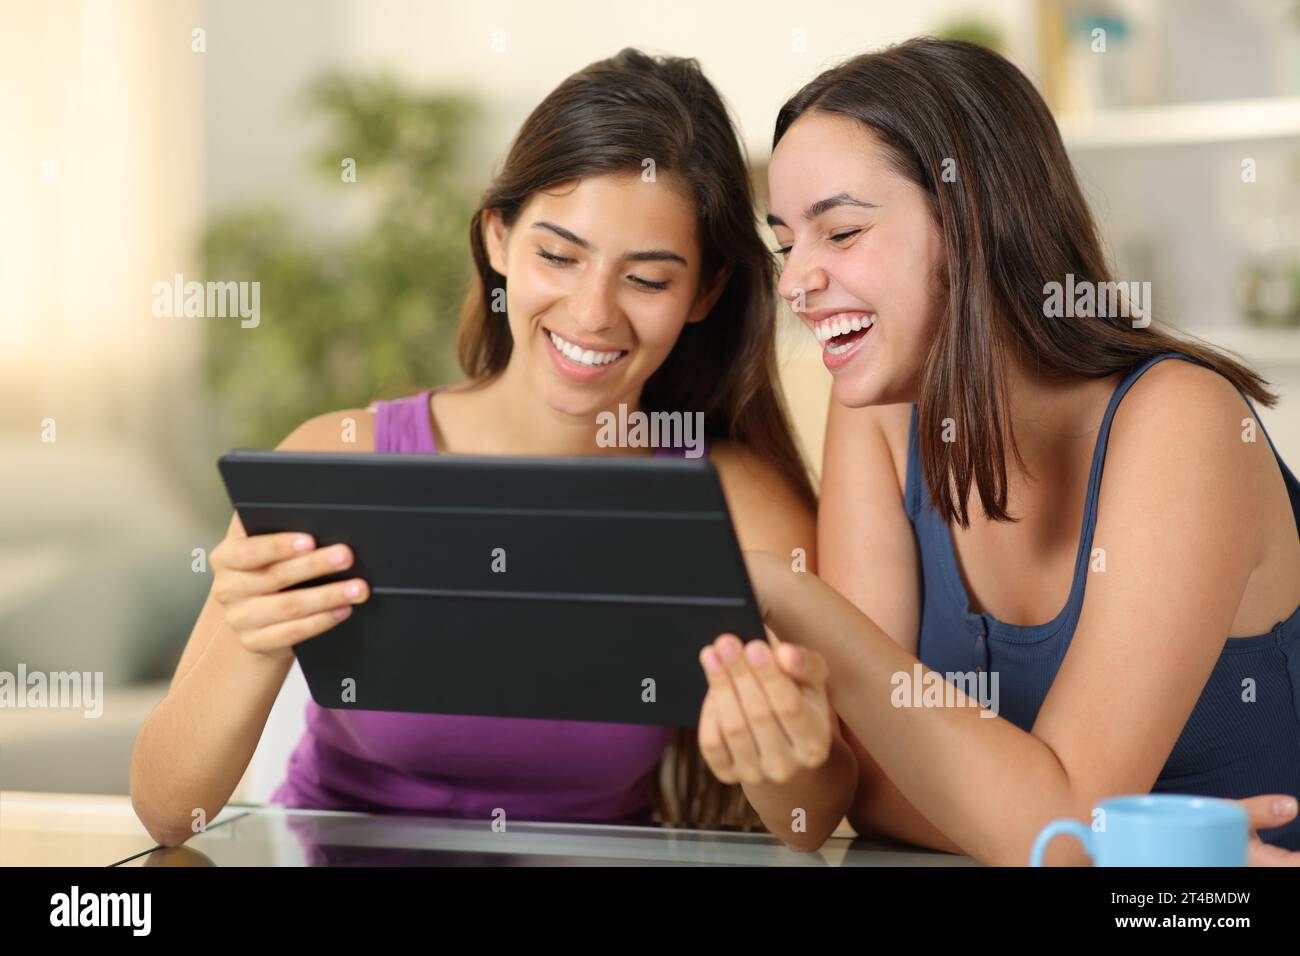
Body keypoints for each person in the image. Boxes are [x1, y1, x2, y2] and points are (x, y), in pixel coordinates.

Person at [130, 49, 857, 849]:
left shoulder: (740, 505)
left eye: (646, 279)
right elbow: (170, 815)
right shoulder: (346, 460)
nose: (592, 312)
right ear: (498, 239)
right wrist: (251, 633)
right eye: (557, 255)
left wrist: (780, 745)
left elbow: (806, 822)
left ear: (704, 295)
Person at [700, 37, 1300, 865]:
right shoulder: (878, 416)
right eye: (785, 243)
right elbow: (856, 796)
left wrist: (780, 590)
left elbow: (1054, 832)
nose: (796, 280)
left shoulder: (1182, 421)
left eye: (839, 231)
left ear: (971, 224)